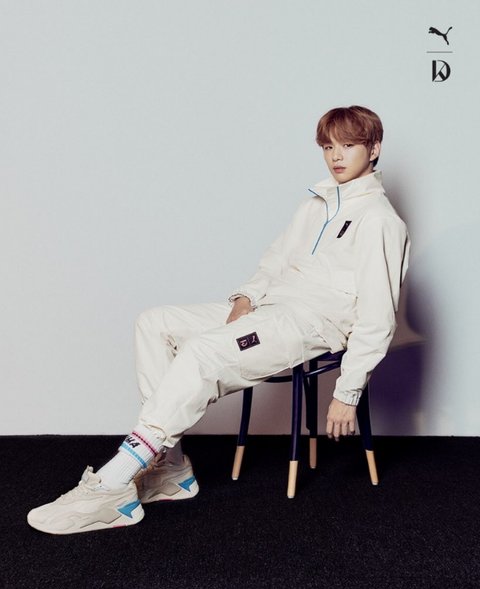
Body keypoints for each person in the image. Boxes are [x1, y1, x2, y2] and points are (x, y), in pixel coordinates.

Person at [27, 105, 410, 535]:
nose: (335, 156)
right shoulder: (315, 205)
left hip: (310, 323)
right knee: (155, 323)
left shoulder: (380, 221)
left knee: (202, 353)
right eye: (327, 146)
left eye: (348, 145)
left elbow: (378, 318)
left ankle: (114, 483)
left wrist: (347, 391)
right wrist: (247, 295)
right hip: (271, 309)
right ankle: (171, 469)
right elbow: (275, 260)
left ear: (373, 149)